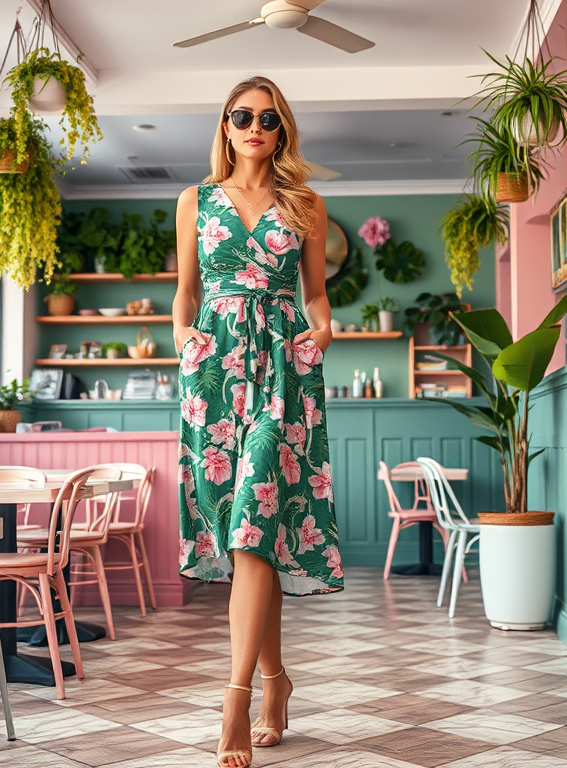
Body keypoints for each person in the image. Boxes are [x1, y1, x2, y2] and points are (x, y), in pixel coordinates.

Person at [173, 76, 344, 768]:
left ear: (281, 132)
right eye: (241, 115)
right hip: (213, 374)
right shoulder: (194, 201)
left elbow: (319, 298)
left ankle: (236, 700)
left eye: (267, 118)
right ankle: (278, 680)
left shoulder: (304, 203)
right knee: (251, 536)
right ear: (224, 125)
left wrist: (322, 333)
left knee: (252, 523)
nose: (253, 126)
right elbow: (184, 294)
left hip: (282, 371)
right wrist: (185, 335)